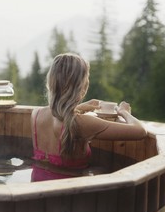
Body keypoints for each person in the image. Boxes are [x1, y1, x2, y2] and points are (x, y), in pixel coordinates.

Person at [31, 53, 147, 181]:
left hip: (37, 188)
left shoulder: (36, 114)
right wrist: (124, 112)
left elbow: (59, 118)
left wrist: (78, 108)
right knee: (102, 171)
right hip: (67, 194)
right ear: (82, 86)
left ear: (51, 81)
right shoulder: (82, 123)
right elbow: (140, 131)